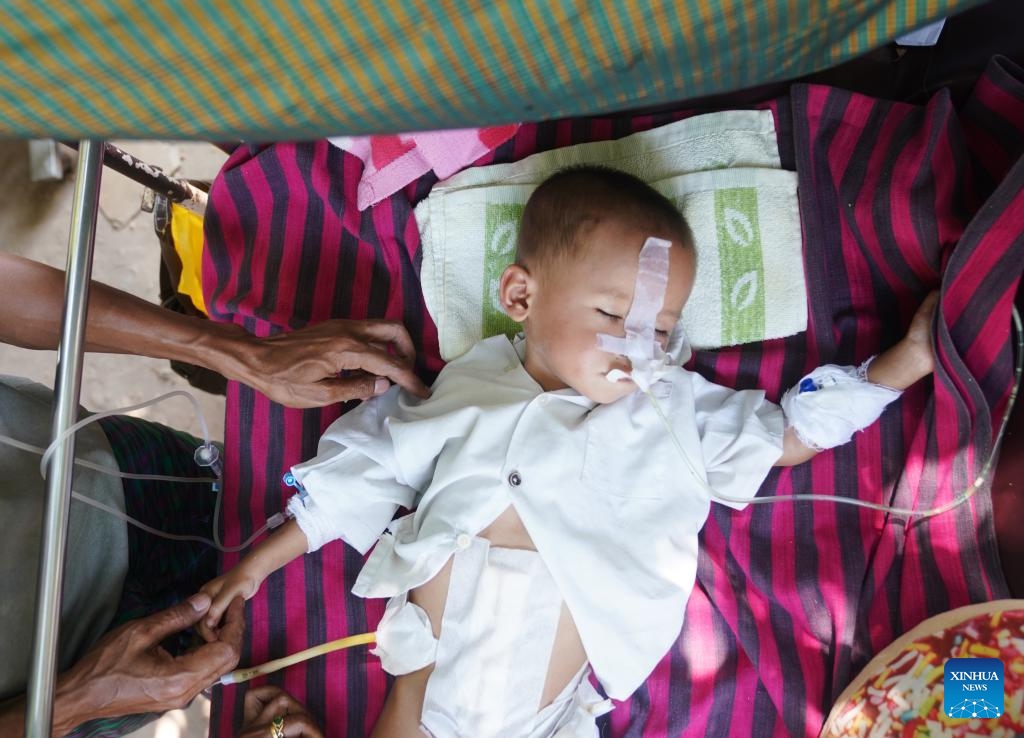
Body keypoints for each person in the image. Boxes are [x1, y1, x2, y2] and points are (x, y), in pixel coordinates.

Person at [198, 166, 938, 737]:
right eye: (614, 313)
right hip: (426, 680)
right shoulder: (466, 388)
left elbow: (782, 437)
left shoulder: (670, 407)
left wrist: (902, 362)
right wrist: (257, 567)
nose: (635, 345)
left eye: (660, 326)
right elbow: (365, 470)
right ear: (520, 297)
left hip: (539, 711)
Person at [0, 253, 424, 736]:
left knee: (251, 509)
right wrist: (72, 703)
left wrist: (236, 350)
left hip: (99, 477)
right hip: (75, 681)